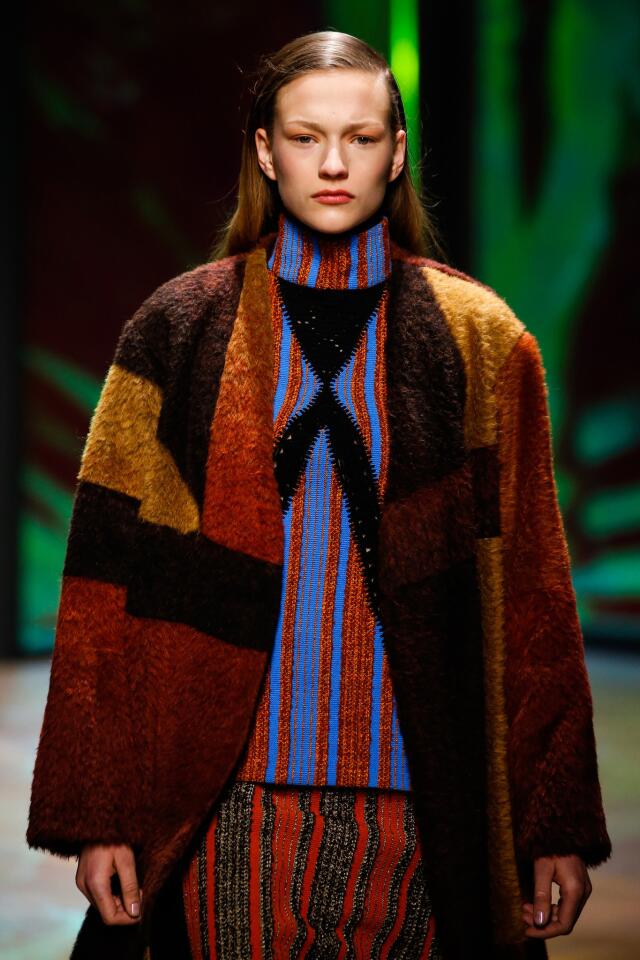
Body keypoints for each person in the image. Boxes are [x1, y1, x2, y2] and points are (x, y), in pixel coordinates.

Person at [26, 29, 612, 960]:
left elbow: (535, 596)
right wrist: (98, 810)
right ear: (266, 150)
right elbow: (103, 589)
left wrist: (555, 822)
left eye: (362, 137)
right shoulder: (178, 330)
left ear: (398, 150)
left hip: (424, 811)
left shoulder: (484, 342)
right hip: (225, 807)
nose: (334, 163)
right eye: (305, 138)